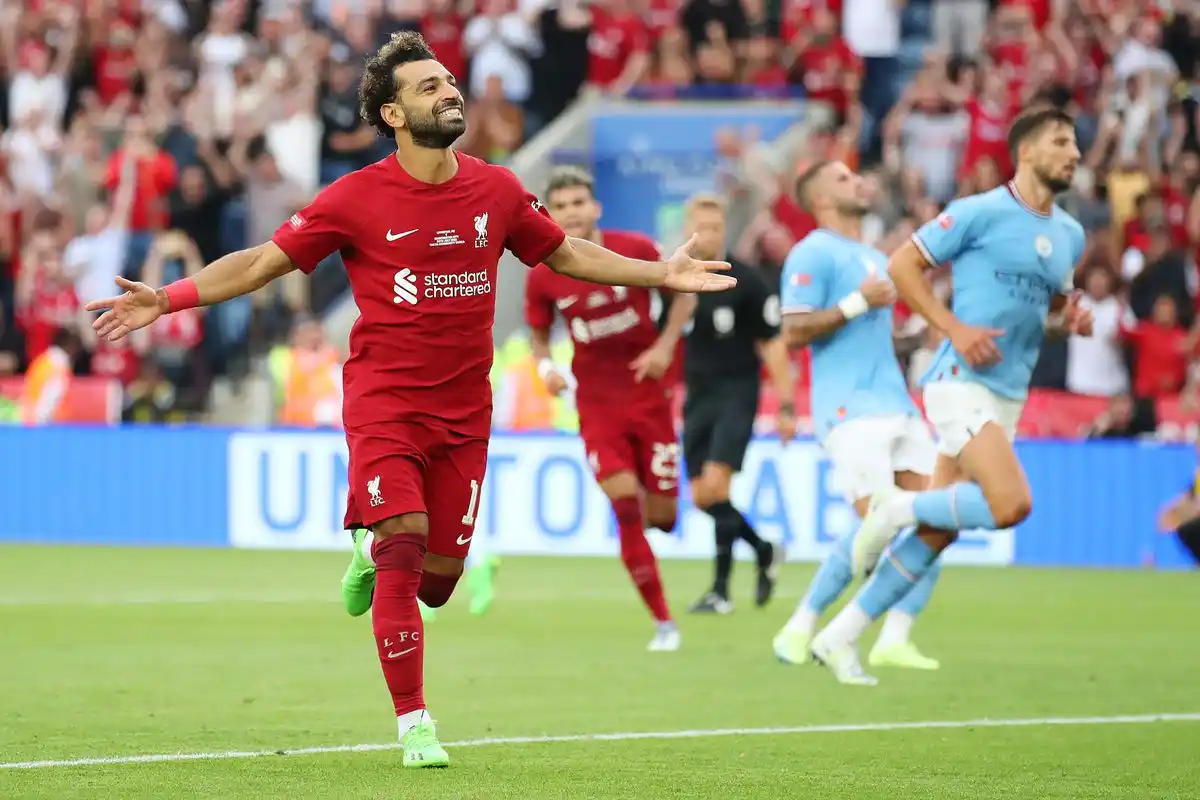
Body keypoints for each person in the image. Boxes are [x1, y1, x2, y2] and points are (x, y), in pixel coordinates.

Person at [85, 32, 734, 769]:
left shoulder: (495, 188)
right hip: (385, 400)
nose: (450, 92)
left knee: (439, 584)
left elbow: (566, 253)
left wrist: (661, 276)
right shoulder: (355, 197)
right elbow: (266, 261)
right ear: (392, 114)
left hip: (465, 414)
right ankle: (415, 722)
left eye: (449, 81)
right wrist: (167, 299)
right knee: (402, 543)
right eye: (429, 88)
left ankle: (368, 547)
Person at [807, 106, 1093, 683]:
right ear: (1028, 151)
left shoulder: (1070, 235)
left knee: (939, 532)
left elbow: (1048, 310)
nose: (1075, 153)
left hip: (1008, 395)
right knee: (1011, 504)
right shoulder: (980, 212)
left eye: (1076, 144)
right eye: (1062, 142)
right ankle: (893, 508)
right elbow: (902, 264)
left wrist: (1072, 321)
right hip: (958, 383)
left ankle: (841, 636)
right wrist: (953, 327)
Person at [771, 160, 941, 683]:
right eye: (843, 179)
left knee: (941, 517)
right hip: (849, 410)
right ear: (820, 198)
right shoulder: (812, 252)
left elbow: (867, 337)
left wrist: (923, 339)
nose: (858, 183)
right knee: (883, 521)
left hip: (898, 403)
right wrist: (855, 301)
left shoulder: (872, 256)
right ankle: (801, 626)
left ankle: (894, 638)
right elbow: (794, 331)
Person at [525, 166, 693, 651]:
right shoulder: (544, 274)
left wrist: (663, 347)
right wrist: (546, 369)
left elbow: (682, 291)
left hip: (648, 397)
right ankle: (664, 622)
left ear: (595, 207)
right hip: (598, 406)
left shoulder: (635, 248)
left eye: (579, 202)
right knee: (625, 506)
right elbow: (538, 336)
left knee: (662, 516)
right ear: (549, 215)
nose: (572, 212)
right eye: (561, 205)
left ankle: (652, 512)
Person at [679, 193, 792, 614]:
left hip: (736, 394)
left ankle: (721, 591)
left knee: (715, 487)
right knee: (703, 498)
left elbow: (774, 344)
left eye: (714, 227)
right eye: (700, 227)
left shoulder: (745, 280)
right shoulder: (677, 279)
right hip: (697, 397)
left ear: (723, 229)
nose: (707, 235)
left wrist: (784, 406)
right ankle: (763, 550)